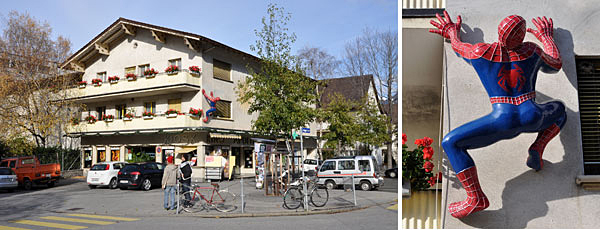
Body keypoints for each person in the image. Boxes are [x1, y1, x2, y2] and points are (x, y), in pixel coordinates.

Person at [429, 11, 566, 218]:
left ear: (499, 34)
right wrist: (546, 36)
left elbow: (457, 46)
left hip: (503, 117)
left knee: (451, 143)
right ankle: (538, 147)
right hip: (533, 114)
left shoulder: (480, 52)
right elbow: (555, 63)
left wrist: (451, 32)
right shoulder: (532, 50)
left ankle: (475, 197)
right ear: (521, 37)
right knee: (561, 110)